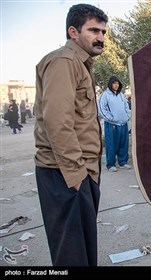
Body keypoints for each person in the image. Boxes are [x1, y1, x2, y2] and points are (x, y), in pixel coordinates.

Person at [34, 3, 108, 266]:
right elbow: (58, 123)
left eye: (103, 32)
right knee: (72, 256)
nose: (100, 37)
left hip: (79, 172)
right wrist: (76, 177)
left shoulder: (81, 64)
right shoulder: (63, 62)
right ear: (73, 32)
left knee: (83, 251)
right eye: (93, 31)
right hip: (64, 174)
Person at [98, 76, 131, 172]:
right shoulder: (105, 95)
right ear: (110, 84)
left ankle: (123, 162)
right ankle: (111, 164)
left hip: (123, 123)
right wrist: (111, 118)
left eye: (117, 83)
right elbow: (101, 108)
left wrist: (127, 116)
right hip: (112, 124)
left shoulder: (121, 95)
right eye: (114, 83)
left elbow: (126, 106)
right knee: (111, 144)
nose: (116, 85)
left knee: (123, 143)